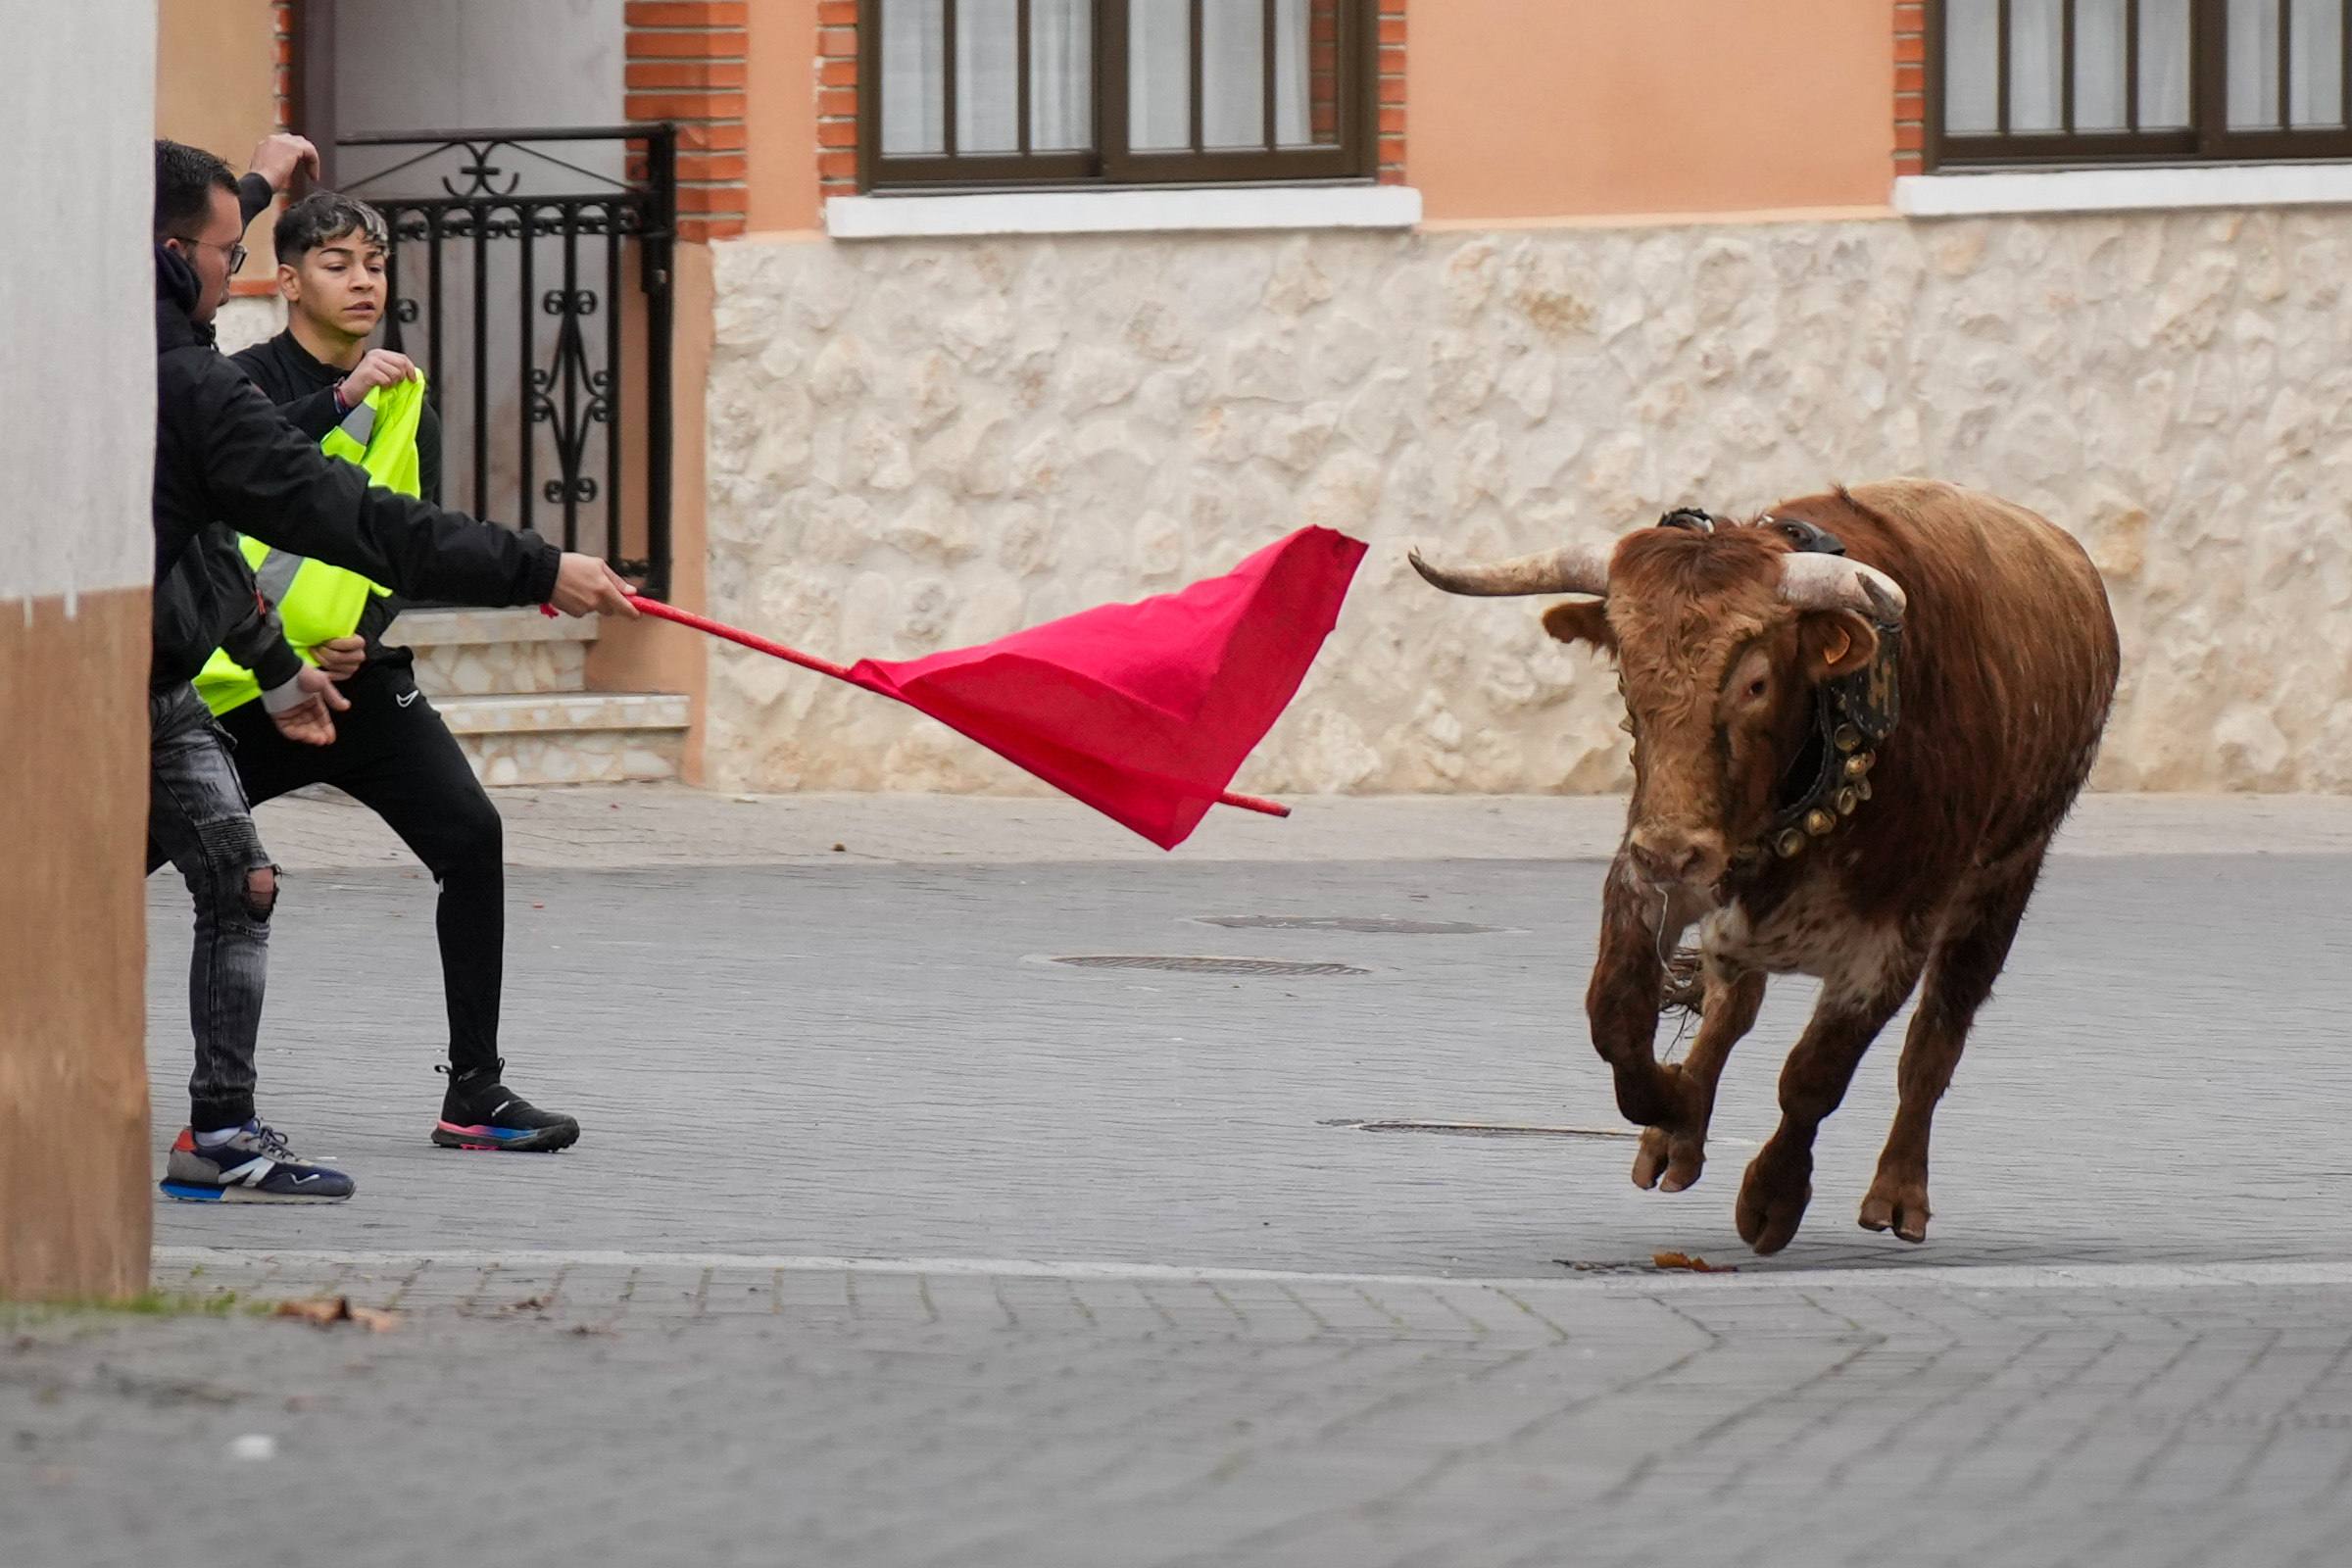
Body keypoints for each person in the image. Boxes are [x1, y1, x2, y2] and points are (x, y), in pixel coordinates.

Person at [148, 135, 637, 1203]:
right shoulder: (212, 380)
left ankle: (469, 1092)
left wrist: (354, 634)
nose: (364, 280)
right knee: (101, 877)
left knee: (456, 836)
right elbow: (284, 505)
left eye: (376, 263)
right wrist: (541, 566)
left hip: (335, 680)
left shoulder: (396, 387)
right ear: (278, 277)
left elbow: (386, 530)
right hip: (225, 687)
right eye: (336, 262)